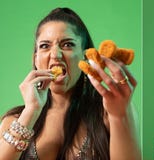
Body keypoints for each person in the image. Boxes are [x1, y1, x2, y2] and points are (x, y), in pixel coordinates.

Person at [0, 8, 140, 160]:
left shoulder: (110, 113)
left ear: (85, 57)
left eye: (67, 44)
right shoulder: (13, 121)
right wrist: (31, 111)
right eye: (45, 46)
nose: (55, 54)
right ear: (36, 59)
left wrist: (119, 116)